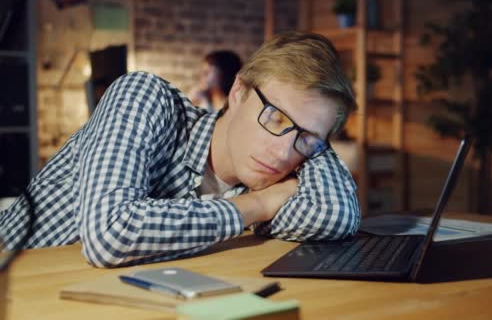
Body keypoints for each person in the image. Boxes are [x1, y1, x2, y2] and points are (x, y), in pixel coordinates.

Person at [0, 31, 360, 267]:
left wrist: (315, 135)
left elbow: (338, 216)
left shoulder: (276, 169)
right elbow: (110, 233)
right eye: (276, 118)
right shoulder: (144, 96)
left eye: (306, 139)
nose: (284, 154)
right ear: (238, 93)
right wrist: (256, 206)